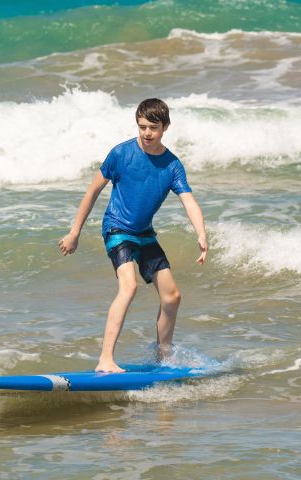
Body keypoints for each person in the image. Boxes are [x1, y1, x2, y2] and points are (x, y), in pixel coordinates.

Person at [58, 98, 208, 373]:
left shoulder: (172, 165)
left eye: (153, 127)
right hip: (117, 228)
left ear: (165, 127)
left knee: (172, 296)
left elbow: (189, 200)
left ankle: (164, 357)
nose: (147, 133)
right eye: (142, 127)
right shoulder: (121, 154)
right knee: (129, 286)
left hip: (144, 233)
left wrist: (201, 234)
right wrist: (74, 232)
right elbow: (92, 191)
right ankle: (105, 359)